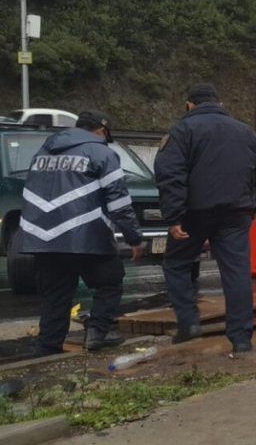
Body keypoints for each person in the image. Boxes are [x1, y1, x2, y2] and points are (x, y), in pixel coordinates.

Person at [155, 84, 256, 354]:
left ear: (189, 105)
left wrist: (174, 217)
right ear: (220, 104)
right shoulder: (245, 132)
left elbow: (169, 175)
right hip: (236, 214)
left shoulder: (182, 131)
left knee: (176, 264)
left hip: (193, 213)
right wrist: (255, 207)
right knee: (237, 273)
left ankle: (188, 323)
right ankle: (242, 339)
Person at [19, 111, 144, 356]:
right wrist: (134, 238)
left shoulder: (42, 154)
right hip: (87, 234)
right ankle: (97, 333)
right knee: (110, 282)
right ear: (100, 130)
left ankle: (48, 347)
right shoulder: (102, 153)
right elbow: (118, 201)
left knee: (56, 294)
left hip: (43, 238)